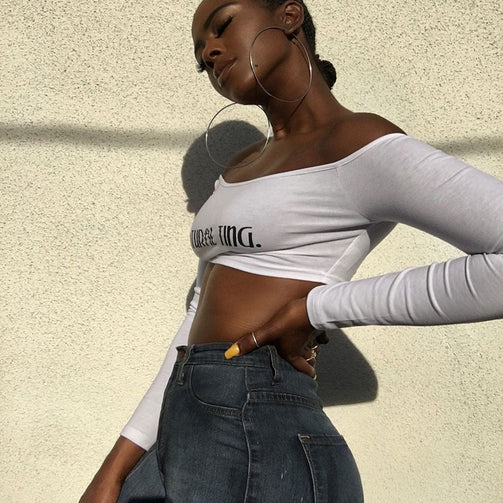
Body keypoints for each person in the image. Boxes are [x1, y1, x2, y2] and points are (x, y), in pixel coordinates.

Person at [80, 0, 503, 501]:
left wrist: (316, 309)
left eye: (222, 25)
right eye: (199, 56)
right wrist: (113, 470)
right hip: (187, 409)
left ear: (289, 16)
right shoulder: (239, 167)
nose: (209, 53)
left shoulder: (354, 143)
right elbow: (195, 317)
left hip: (259, 418)